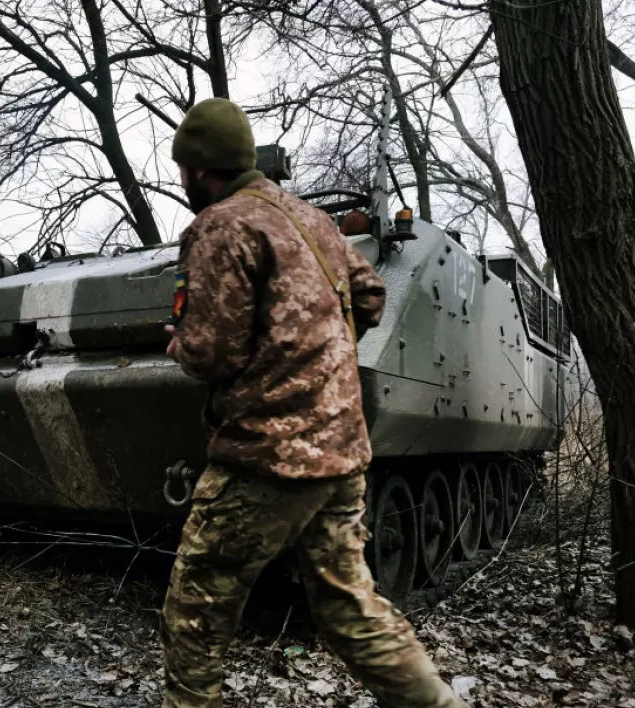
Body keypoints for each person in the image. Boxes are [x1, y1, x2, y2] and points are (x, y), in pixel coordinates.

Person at [160, 97, 465, 708]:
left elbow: (210, 353)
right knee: (352, 608)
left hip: (266, 457)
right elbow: (371, 294)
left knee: (197, 608)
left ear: (198, 169)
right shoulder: (310, 219)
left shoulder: (222, 225)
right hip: (342, 450)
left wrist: (179, 343)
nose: (183, 181)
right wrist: (316, 349)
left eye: (184, 170)